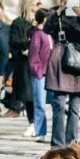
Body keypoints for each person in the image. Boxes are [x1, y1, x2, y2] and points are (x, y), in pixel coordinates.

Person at [44, 0, 80, 147]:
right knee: (58, 104)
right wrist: (58, 12)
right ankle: (57, 145)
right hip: (59, 57)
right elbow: (46, 29)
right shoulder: (54, 12)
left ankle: (72, 143)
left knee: (74, 106)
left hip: (77, 59)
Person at [10, 0, 43, 135]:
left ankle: (39, 124)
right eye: (37, 3)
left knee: (39, 94)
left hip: (40, 62)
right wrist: (28, 44)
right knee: (29, 95)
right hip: (24, 62)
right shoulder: (18, 23)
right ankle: (32, 123)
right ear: (30, 5)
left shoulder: (41, 22)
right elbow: (13, 41)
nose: (40, 6)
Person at [28, 8, 52, 142]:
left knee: (55, 104)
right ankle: (40, 131)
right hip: (40, 74)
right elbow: (33, 55)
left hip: (52, 73)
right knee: (40, 104)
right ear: (44, 19)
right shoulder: (38, 34)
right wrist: (37, 71)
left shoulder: (49, 33)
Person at [0, 0, 15, 117]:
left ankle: (11, 106)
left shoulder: (9, 25)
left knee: (9, 82)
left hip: (11, 57)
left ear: (3, 12)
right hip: (0, 56)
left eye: (0, 13)